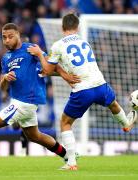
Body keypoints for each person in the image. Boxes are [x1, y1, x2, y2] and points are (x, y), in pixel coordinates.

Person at [0, 23, 81, 165]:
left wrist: (64, 74)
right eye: (4, 37)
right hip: (17, 100)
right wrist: (5, 78)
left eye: (10, 36)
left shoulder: (30, 49)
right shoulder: (6, 58)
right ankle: (67, 155)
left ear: (18, 35)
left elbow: (50, 66)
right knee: (35, 136)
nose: (7, 40)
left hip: (26, 101)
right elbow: (3, 87)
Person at [27, 13, 138, 170]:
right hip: (100, 84)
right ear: (77, 27)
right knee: (113, 104)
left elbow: (47, 70)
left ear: (62, 27)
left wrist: (39, 54)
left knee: (65, 123)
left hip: (82, 89)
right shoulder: (84, 41)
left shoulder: (58, 45)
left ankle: (71, 163)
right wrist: (66, 74)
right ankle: (126, 124)